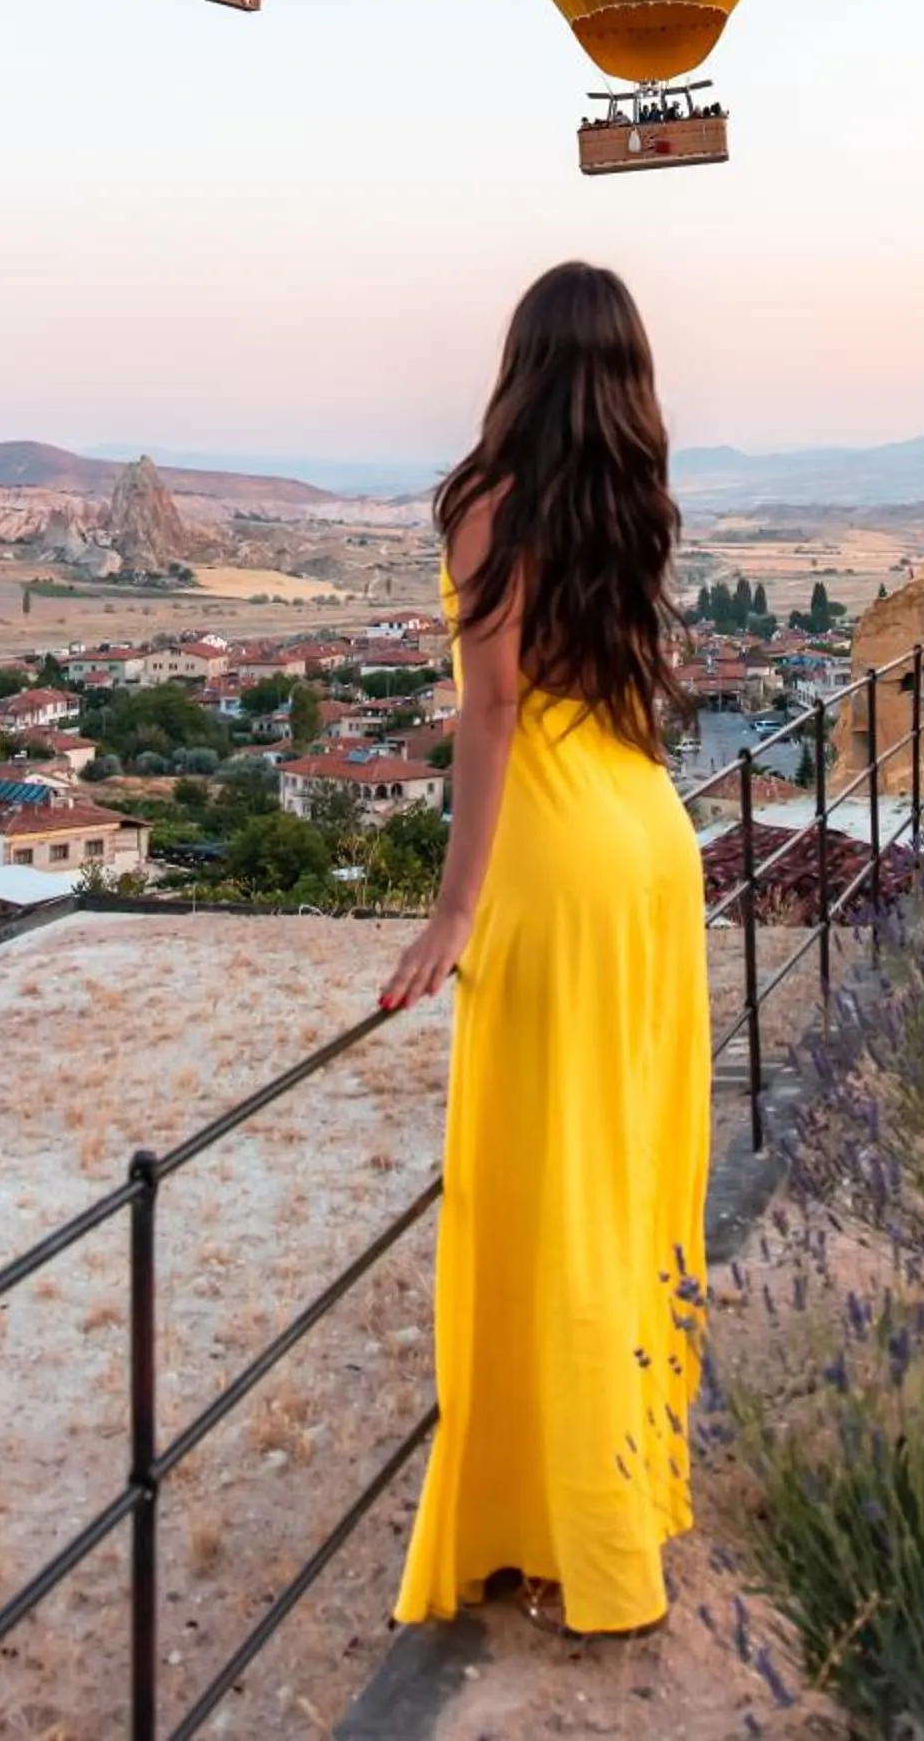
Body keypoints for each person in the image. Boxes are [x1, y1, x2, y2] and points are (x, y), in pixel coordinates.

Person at [380, 261, 711, 1638]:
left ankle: (553, 1523)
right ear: (623, 378)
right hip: (650, 847)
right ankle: (611, 1498)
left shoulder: (484, 505)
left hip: (560, 866)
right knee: (622, 1182)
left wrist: (453, 909)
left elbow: (493, 709)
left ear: (519, 362)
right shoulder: (632, 498)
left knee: (541, 1193)